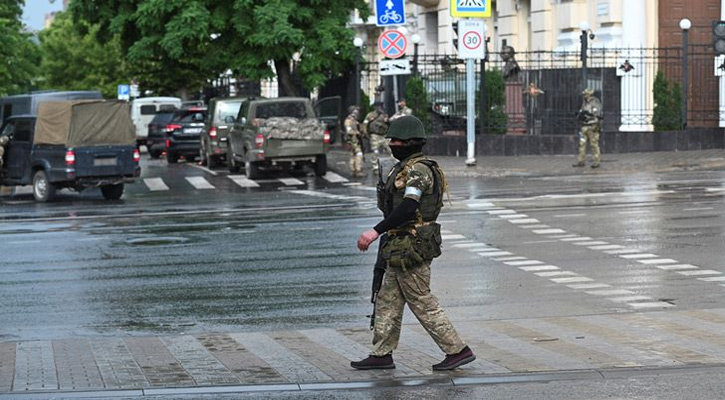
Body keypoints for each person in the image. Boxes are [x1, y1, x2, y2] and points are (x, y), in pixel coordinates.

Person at [352, 115, 475, 371]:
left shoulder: (418, 170)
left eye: (395, 140)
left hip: (412, 244)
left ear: (410, 142)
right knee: (387, 299)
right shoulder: (406, 166)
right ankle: (381, 353)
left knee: (421, 300)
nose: (391, 144)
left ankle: (458, 350)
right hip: (399, 243)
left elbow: (409, 206)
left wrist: (375, 232)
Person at [573, 88, 603, 169]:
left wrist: (589, 115)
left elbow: (597, 114)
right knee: (582, 144)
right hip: (584, 125)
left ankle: (596, 162)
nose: (585, 96)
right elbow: (582, 111)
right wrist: (581, 115)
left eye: (586, 94)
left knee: (594, 144)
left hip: (592, 125)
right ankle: (581, 161)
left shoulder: (595, 102)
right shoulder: (584, 102)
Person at [362, 102, 390, 173]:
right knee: (375, 151)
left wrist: (387, 121)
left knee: (390, 149)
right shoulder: (370, 115)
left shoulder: (384, 115)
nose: (379, 108)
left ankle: (395, 165)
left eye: (380, 106)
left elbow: (388, 123)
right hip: (375, 135)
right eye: (378, 106)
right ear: (375, 107)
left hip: (383, 136)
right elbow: (365, 123)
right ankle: (375, 167)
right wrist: (365, 133)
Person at [344, 105, 365, 177]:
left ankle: (354, 169)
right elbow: (349, 131)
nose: (357, 113)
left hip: (356, 140)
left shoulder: (355, 121)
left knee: (353, 155)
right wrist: (357, 132)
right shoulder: (348, 121)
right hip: (352, 141)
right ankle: (358, 170)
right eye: (355, 112)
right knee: (359, 154)